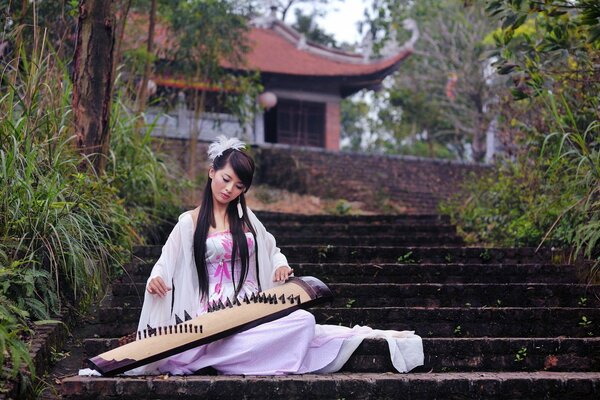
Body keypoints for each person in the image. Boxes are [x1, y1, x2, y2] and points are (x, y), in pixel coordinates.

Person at [129, 136, 423, 376]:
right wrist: (157, 278)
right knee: (216, 338)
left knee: (304, 322)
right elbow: (165, 261)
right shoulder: (189, 222)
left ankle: (220, 359)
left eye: (239, 186)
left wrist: (280, 267)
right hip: (213, 312)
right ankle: (213, 355)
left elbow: (272, 250)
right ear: (211, 173)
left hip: (253, 305)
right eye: (226, 179)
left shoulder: (246, 219)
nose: (229, 189)